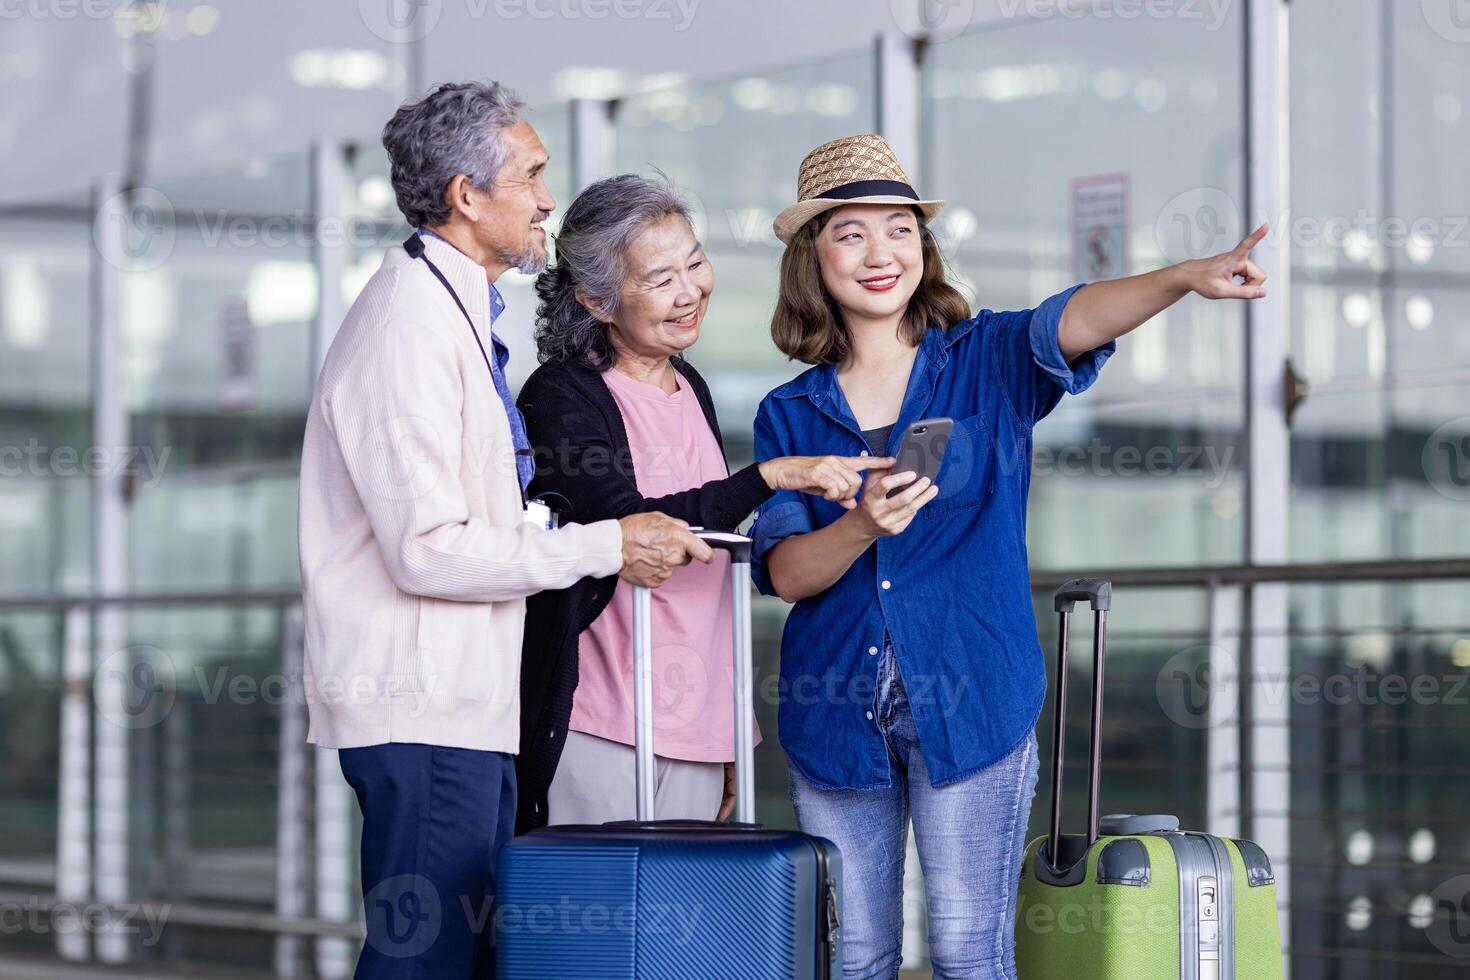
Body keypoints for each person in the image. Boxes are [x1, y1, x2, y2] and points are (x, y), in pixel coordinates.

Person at [749, 133, 1269, 979]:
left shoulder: (986, 359)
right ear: (814, 257)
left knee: (966, 952)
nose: (881, 252)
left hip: (973, 700)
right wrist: (861, 527)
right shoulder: (789, 411)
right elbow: (785, 574)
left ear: (925, 246)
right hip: (834, 707)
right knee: (855, 957)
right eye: (851, 233)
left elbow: (1078, 315)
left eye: (900, 229)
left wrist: (1182, 277)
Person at [297, 82, 712, 979]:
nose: (548, 199)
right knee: (430, 961)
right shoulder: (407, 327)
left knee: (465, 958)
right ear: (467, 196)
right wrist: (607, 543)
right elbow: (430, 548)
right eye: (531, 174)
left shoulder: (452, 316)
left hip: (465, 703)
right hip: (426, 703)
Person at [513, 173, 877, 831]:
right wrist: (767, 477)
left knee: (684, 930)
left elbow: (706, 561)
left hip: (695, 727)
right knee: (598, 924)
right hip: (604, 719)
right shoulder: (561, 395)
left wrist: (726, 729)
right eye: (660, 280)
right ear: (597, 301)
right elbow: (626, 525)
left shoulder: (689, 384)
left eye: (696, 263)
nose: (691, 292)